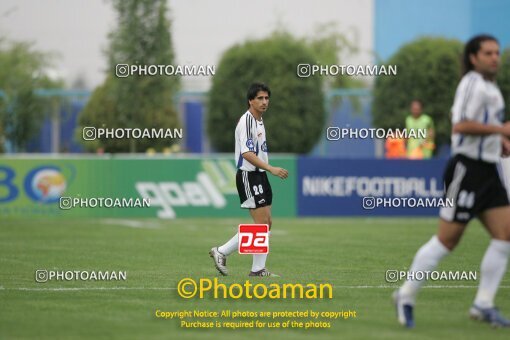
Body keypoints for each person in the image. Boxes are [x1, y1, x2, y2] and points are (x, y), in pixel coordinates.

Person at [394, 34, 510, 328]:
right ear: (473, 57)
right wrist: (500, 130)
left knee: (505, 235)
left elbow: (475, 125)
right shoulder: (471, 82)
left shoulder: (489, 87)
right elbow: (460, 125)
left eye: (497, 52)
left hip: (488, 171)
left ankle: (483, 304)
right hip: (467, 171)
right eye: (488, 53)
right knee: (447, 240)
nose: (495, 57)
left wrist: (499, 142)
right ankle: (406, 294)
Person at [209, 82, 288, 277]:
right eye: (260, 98)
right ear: (250, 100)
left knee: (266, 223)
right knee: (261, 224)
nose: (264, 102)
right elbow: (247, 153)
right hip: (248, 175)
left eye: (267, 98)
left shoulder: (259, 120)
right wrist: (270, 168)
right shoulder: (247, 121)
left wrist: (266, 170)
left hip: (259, 175)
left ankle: (256, 269)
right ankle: (224, 252)